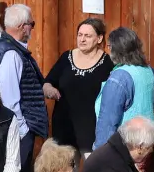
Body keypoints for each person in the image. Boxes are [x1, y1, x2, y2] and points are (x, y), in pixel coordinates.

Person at [0, 3, 49, 172]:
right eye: (32, 24)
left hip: (10, 127)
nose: (32, 28)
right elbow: (11, 99)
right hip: (17, 129)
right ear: (23, 27)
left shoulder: (4, 46)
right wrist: (22, 131)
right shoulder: (11, 54)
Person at [93, 27, 154, 151]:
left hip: (127, 145)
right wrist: (150, 104)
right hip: (148, 141)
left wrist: (100, 153)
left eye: (109, 46)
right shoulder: (147, 70)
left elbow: (108, 122)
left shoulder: (119, 77)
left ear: (114, 49)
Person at [43, 18, 112, 153]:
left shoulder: (108, 63)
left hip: (91, 130)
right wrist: (49, 90)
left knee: (91, 171)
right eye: (80, 35)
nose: (82, 39)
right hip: (64, 127)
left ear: (99, 39)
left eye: (87, 36)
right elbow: (47, 82)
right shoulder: (66, 57)